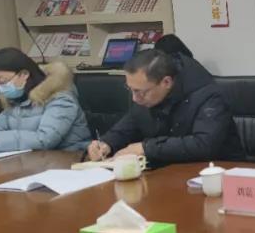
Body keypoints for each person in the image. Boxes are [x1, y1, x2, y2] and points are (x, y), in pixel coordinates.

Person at [87, 50, 242, 165]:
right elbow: (128, 126)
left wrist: (146, 148)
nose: (134, 98)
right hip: (167, 174)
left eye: (139, 92)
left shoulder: (208, 95)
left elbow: (203, 145)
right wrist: (106, 143)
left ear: (166, 82)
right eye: (130, 89)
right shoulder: (146, 96)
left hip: (216, 173)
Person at [0, 48, 90, 152]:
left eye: (2, 80)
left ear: (24, 74)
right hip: (34, 161)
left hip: (69, 160)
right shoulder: (16, 99)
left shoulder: (61, 98)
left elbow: (45, 139)